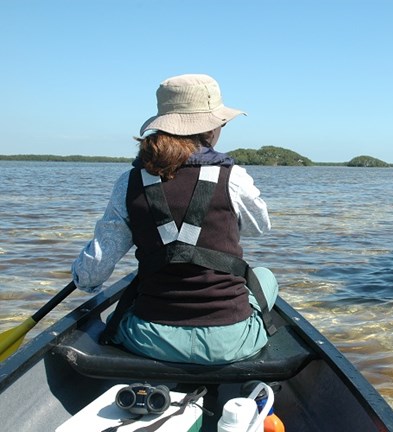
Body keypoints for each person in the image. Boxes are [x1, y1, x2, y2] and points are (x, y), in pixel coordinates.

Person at [71, 74, 278, 365]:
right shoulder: (233, 177)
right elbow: (260, 228)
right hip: (228, 344)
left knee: (130, 300)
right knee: (265, 277)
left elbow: (93, 272)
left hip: (150, 340)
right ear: (211, 127)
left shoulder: (128, 182)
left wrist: (82, 278)